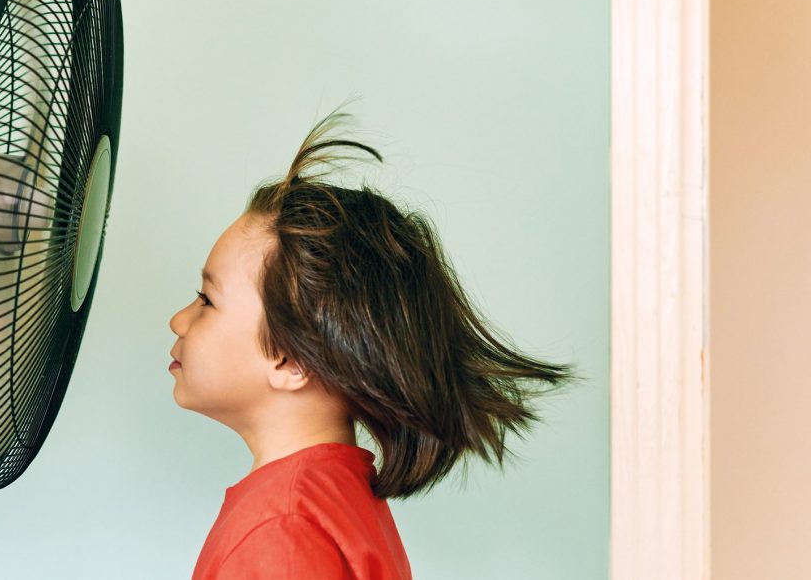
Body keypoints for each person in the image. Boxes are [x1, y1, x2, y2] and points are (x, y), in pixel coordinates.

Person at [168, 104, 574, 579]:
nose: (178, 320)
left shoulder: (284, 528)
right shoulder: (330, 499)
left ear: (291, 359)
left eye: (206, 300)